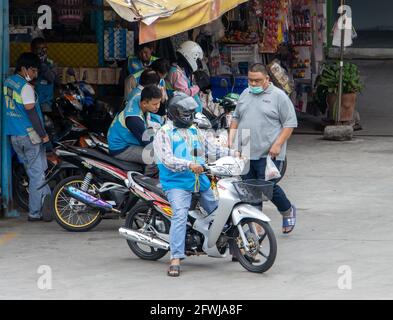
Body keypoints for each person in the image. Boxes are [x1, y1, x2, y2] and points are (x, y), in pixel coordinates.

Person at [154, 92, 241, 277]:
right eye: (186, 114)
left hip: (200, 181)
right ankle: (176, 258)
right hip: (177, 183)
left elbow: (211, 149)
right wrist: (189, 165)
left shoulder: (194, 130)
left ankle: (235, 248)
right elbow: (167, 159)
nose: (190, 118)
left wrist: (233, 153)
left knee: (220, 212)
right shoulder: (164, 133)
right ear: (175, 113)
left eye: (191, 114)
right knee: (179, 215)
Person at [229, 63, 298, 234]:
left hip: (269, 153)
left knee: (267, 187)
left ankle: (287, 210)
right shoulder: (245, 94)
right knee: (250, 189)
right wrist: (230, 141)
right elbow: (236, 118)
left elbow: (289, 123)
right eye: (250, 80)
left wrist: (278, 144)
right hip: (245, 152)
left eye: (257, 81)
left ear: (267, 78)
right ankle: (256, 226)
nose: (253, 84)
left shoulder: (279, 96)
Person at [4, 52, 51, 221]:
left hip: (14, 135)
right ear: (23, 69)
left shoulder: (8, 82)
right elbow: (32, 114)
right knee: (37, 175)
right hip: (29, 135)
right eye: (33, 70)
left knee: (34, 173)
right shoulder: (25, 88)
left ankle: (49, 204)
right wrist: (44, 135)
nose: (35, 74)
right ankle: (35, 213)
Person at [107, 85, 162, 176]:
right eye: (155, 104)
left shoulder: (139, 96)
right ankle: (146, 182)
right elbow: (148, 143)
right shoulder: (134, 119)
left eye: (159, 103)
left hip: (124, 137)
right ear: (144, 103)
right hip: (121, 147)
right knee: (156, 157)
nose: (158, 106)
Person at [166, 41, 204, 113]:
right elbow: (185, 94)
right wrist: (198, 86)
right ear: (192, 56)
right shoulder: (176, 73)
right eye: (197, 60)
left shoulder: (180, 70)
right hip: (182, 112)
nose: (197, 63)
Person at [30, 37, 58, 113]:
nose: (42, 51)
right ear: (32, 50)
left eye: (44, 48)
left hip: (45, 102)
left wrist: (42, 65)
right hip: (30, 101)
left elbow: (52, 78)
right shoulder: (28, 63)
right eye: (38, 48)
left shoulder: (51, 63)